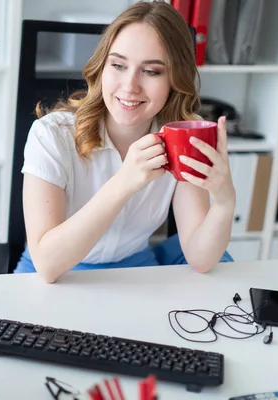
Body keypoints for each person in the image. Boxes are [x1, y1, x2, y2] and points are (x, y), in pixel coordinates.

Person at [14, 0, 236, 283]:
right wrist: (124, 182)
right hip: (55, 272)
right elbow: (46, 265)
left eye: (152, 71)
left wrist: (224, 202)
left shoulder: (182, 138)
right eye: (118, 65)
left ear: (174, 79)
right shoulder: (51, 135)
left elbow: (201, 259)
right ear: (102, 68)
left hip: (132, 271)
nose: (130, 86)